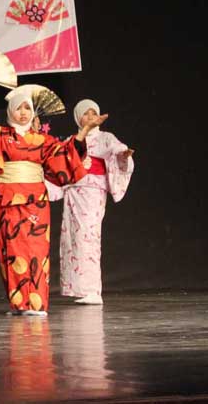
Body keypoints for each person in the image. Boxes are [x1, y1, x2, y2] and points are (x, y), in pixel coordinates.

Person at [0, 75, 104, 315]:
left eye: (27, 108)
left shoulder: (42, 140)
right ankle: (19, 303)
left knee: (37, 250)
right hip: (8, 198)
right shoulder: (1, 135)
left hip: (35, 201)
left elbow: (66, 155)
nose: (23, 113)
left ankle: (37, 303)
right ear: (10, 111)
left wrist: (84, 130)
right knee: (12, 251)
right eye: (19, 108)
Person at [49, 99, 135, 305]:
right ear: (77, 117)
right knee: (71, 236)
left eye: (92, 113)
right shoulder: (73, 139)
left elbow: (117, 148)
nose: (89, 117)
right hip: (73, 189)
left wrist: (123, 153)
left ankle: (93, 290)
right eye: (85, 114)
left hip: (92, 190)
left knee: (89, 235)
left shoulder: (105, 137)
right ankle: (76, 288)